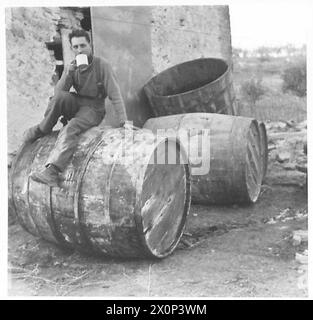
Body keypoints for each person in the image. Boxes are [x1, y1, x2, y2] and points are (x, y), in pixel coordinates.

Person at [23, 29, 128, 187]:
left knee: (71, 127)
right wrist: (68, 74)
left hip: (94, 108)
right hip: (78, 102)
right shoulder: (72, 66)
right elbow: (58, 94)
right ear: (72, 48)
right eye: (76, 47)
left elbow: (115, 94)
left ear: (90, 44)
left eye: (83, 46)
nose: (79, 50)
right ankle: (43, 128)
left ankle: (53, 171)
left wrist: (124, 121)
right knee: (59, 97)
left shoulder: (102, 65)